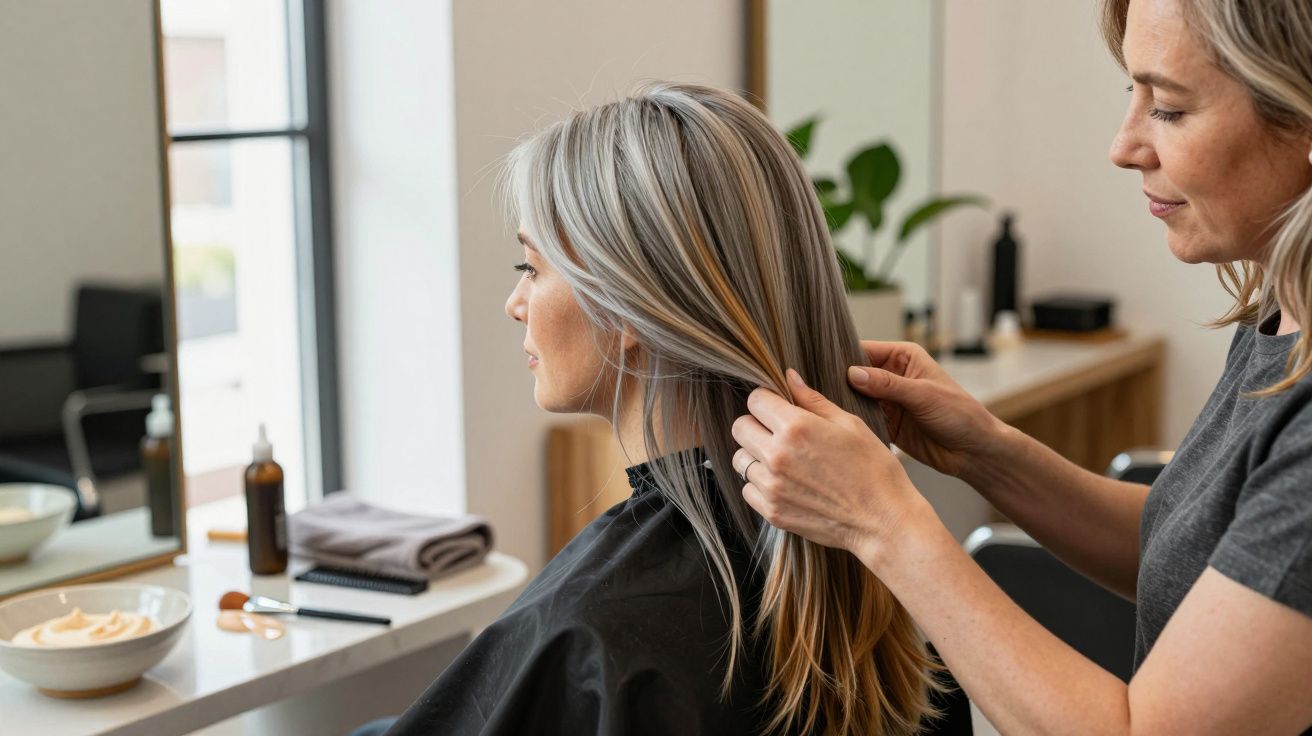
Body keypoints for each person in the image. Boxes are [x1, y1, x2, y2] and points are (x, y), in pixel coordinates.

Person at [731, 0, 1312, 733]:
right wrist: (987, 452)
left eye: (1166, 107)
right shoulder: (1284, 317)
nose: (1124, 144)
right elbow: (1206, 555)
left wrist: (884, 523)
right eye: (1130, 96)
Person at [380, 83, 971, 735]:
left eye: (531, 267)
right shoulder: (885, 576)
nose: (515, 303)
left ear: (624, 302)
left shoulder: (603, 628)